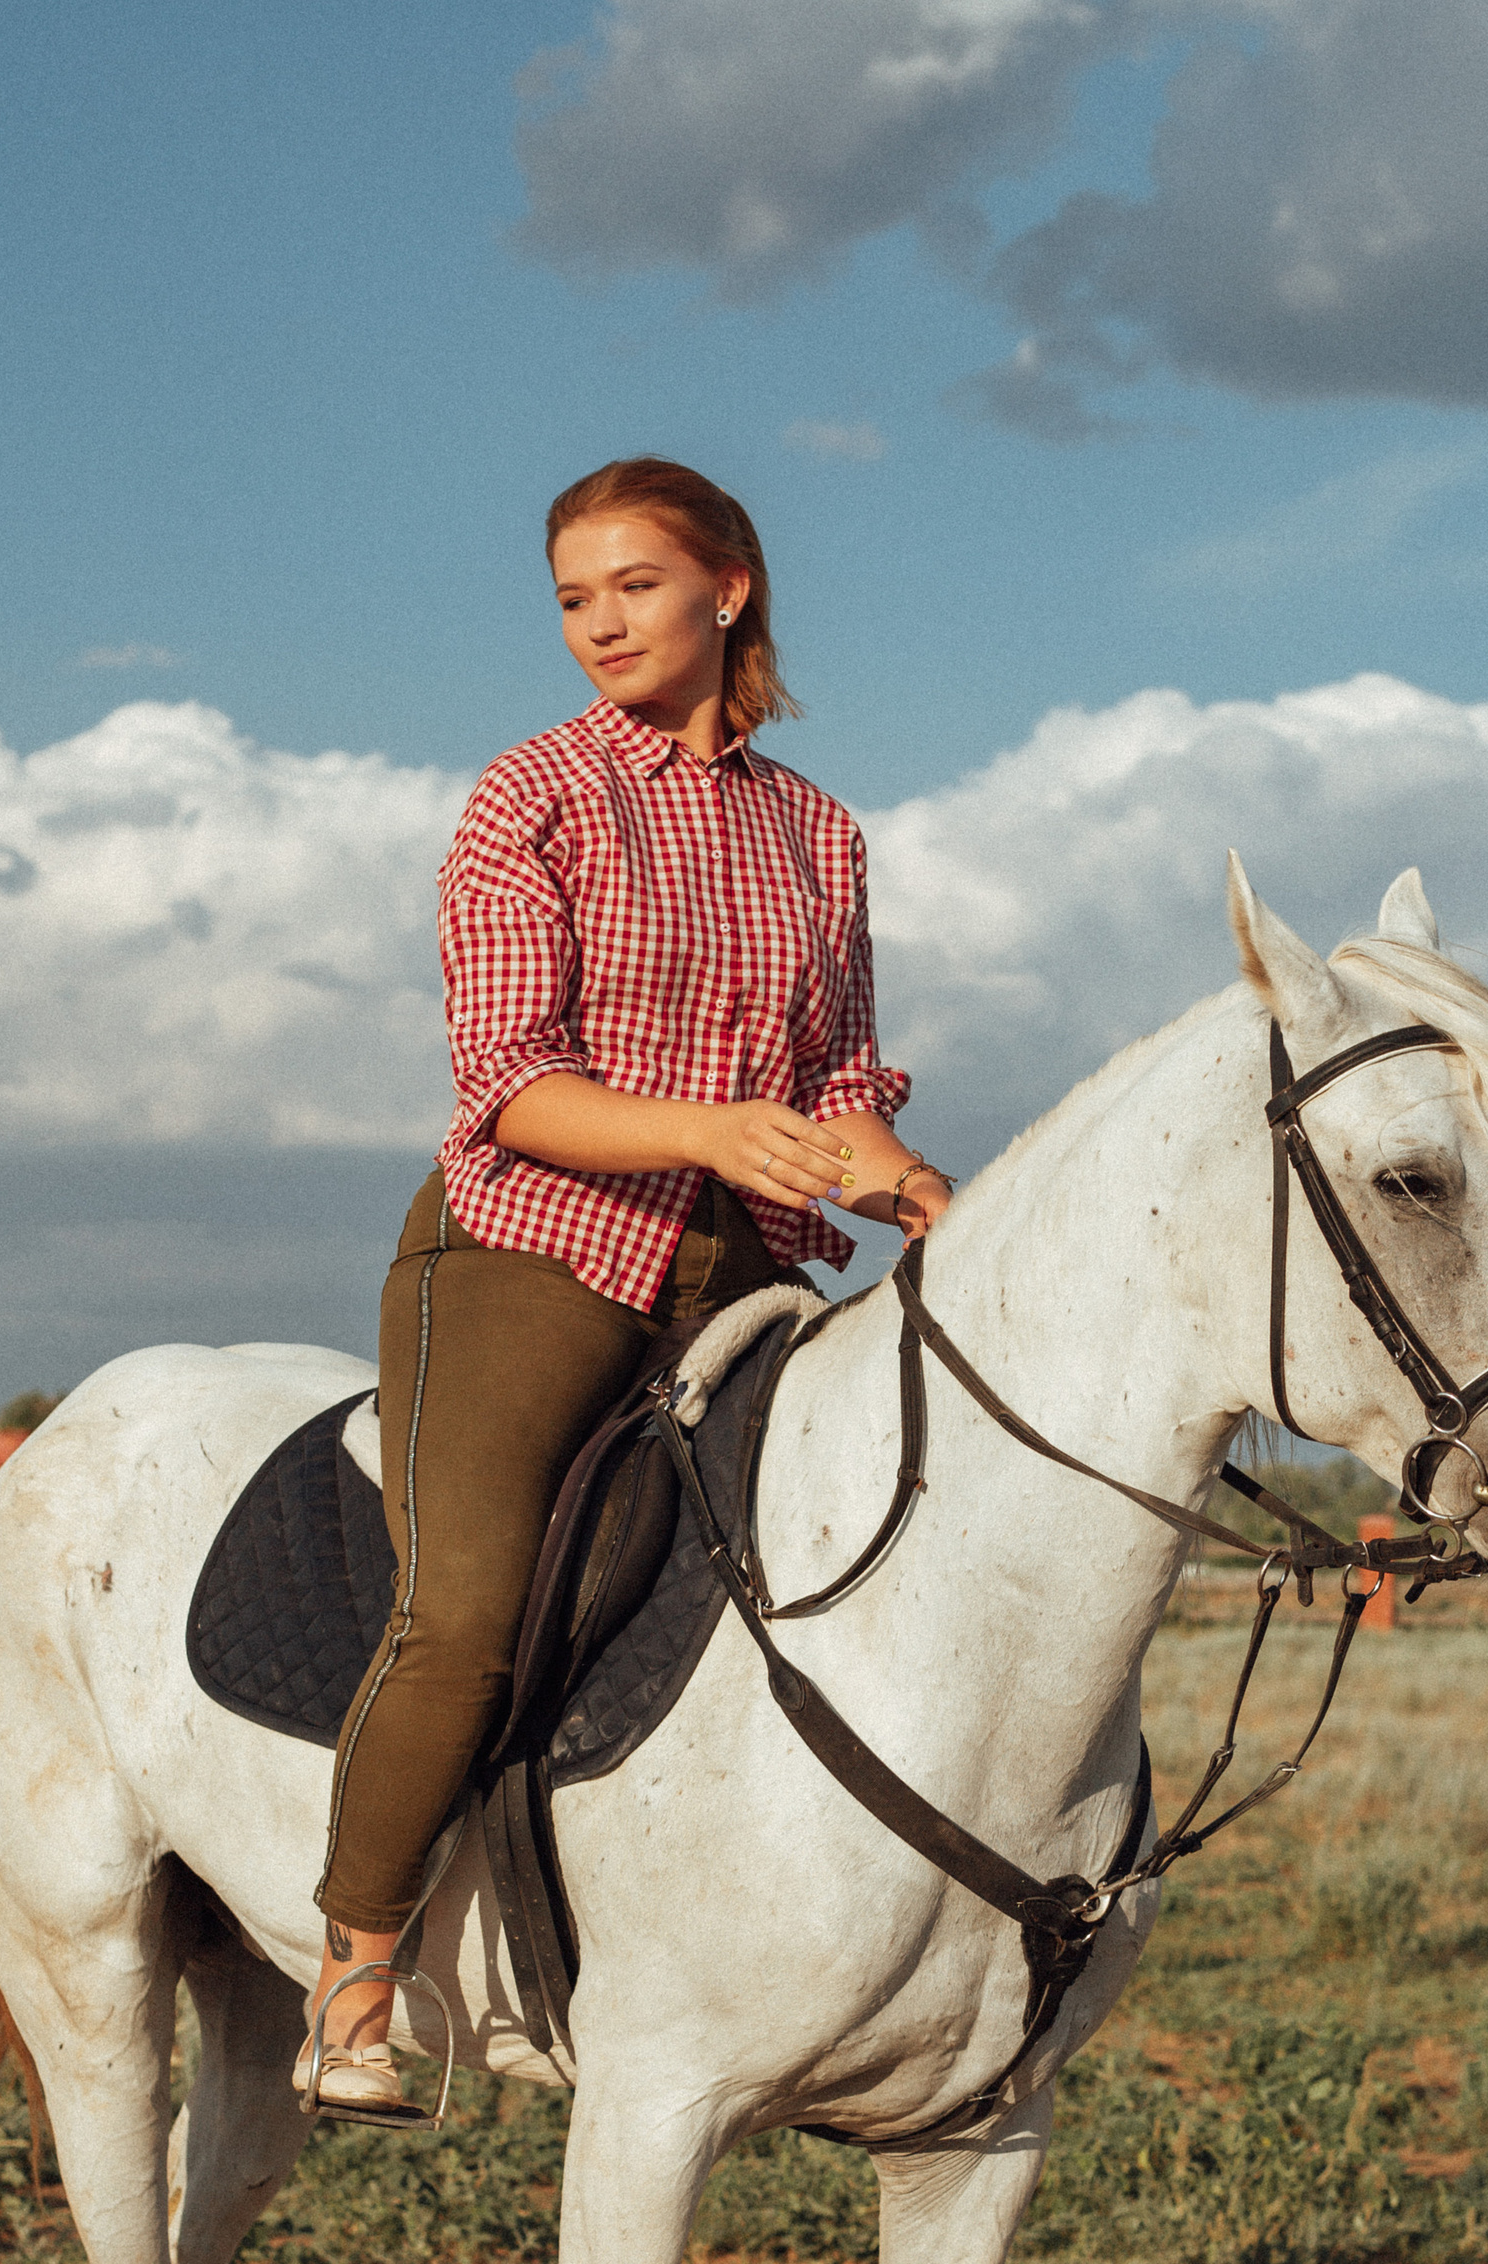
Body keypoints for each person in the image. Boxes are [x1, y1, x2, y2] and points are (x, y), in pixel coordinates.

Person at [299, 456, 954, 2120]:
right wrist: (729, 1129)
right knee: (469, 1610)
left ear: (728, 587)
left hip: (740, 1267)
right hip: (539, 1247)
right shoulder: (529, 797)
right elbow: (511, 1085)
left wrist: (915, 1186)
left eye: (633, 586)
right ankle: (358, 1968)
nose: (599, 623)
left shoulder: (821, 833)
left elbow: (841, 1086)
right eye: (573, 598)